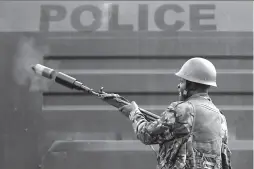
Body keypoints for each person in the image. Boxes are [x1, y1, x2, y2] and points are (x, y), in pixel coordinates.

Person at [102, 57, 232, 169]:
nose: (179, 86)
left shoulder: (182, 110)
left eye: (182, 81)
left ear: (191, 84)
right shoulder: (220, 117)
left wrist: (133, 112)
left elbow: (145, 134)